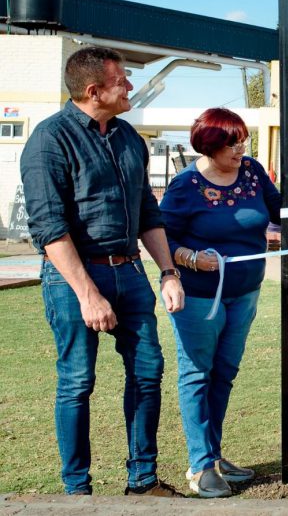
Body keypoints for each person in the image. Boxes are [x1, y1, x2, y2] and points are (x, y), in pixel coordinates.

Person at [20, 45, 184, 497]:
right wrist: (88, 294)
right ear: (94, 91)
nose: (130, 86)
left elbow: (147, 211)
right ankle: (77, 492)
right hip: (73, 279)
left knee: (148, 371)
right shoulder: (49, 141)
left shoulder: (130, 138)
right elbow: (49, 228)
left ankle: (143, 481)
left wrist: (168, 272)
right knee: (77, 381)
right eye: (122, 80)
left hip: (129, 273)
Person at [159, 108, 288, 497]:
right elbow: (162, 238)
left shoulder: (252, 172)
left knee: (224, 373)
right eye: (232, 142)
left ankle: (213, 455)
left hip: (244, 293)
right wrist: (191, 259)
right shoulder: (185, 186)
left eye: (242, 140)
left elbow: (282, 210)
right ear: (209, 145)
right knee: (197, 375)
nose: (241, 148)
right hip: (200, 299)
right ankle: (200, 466)